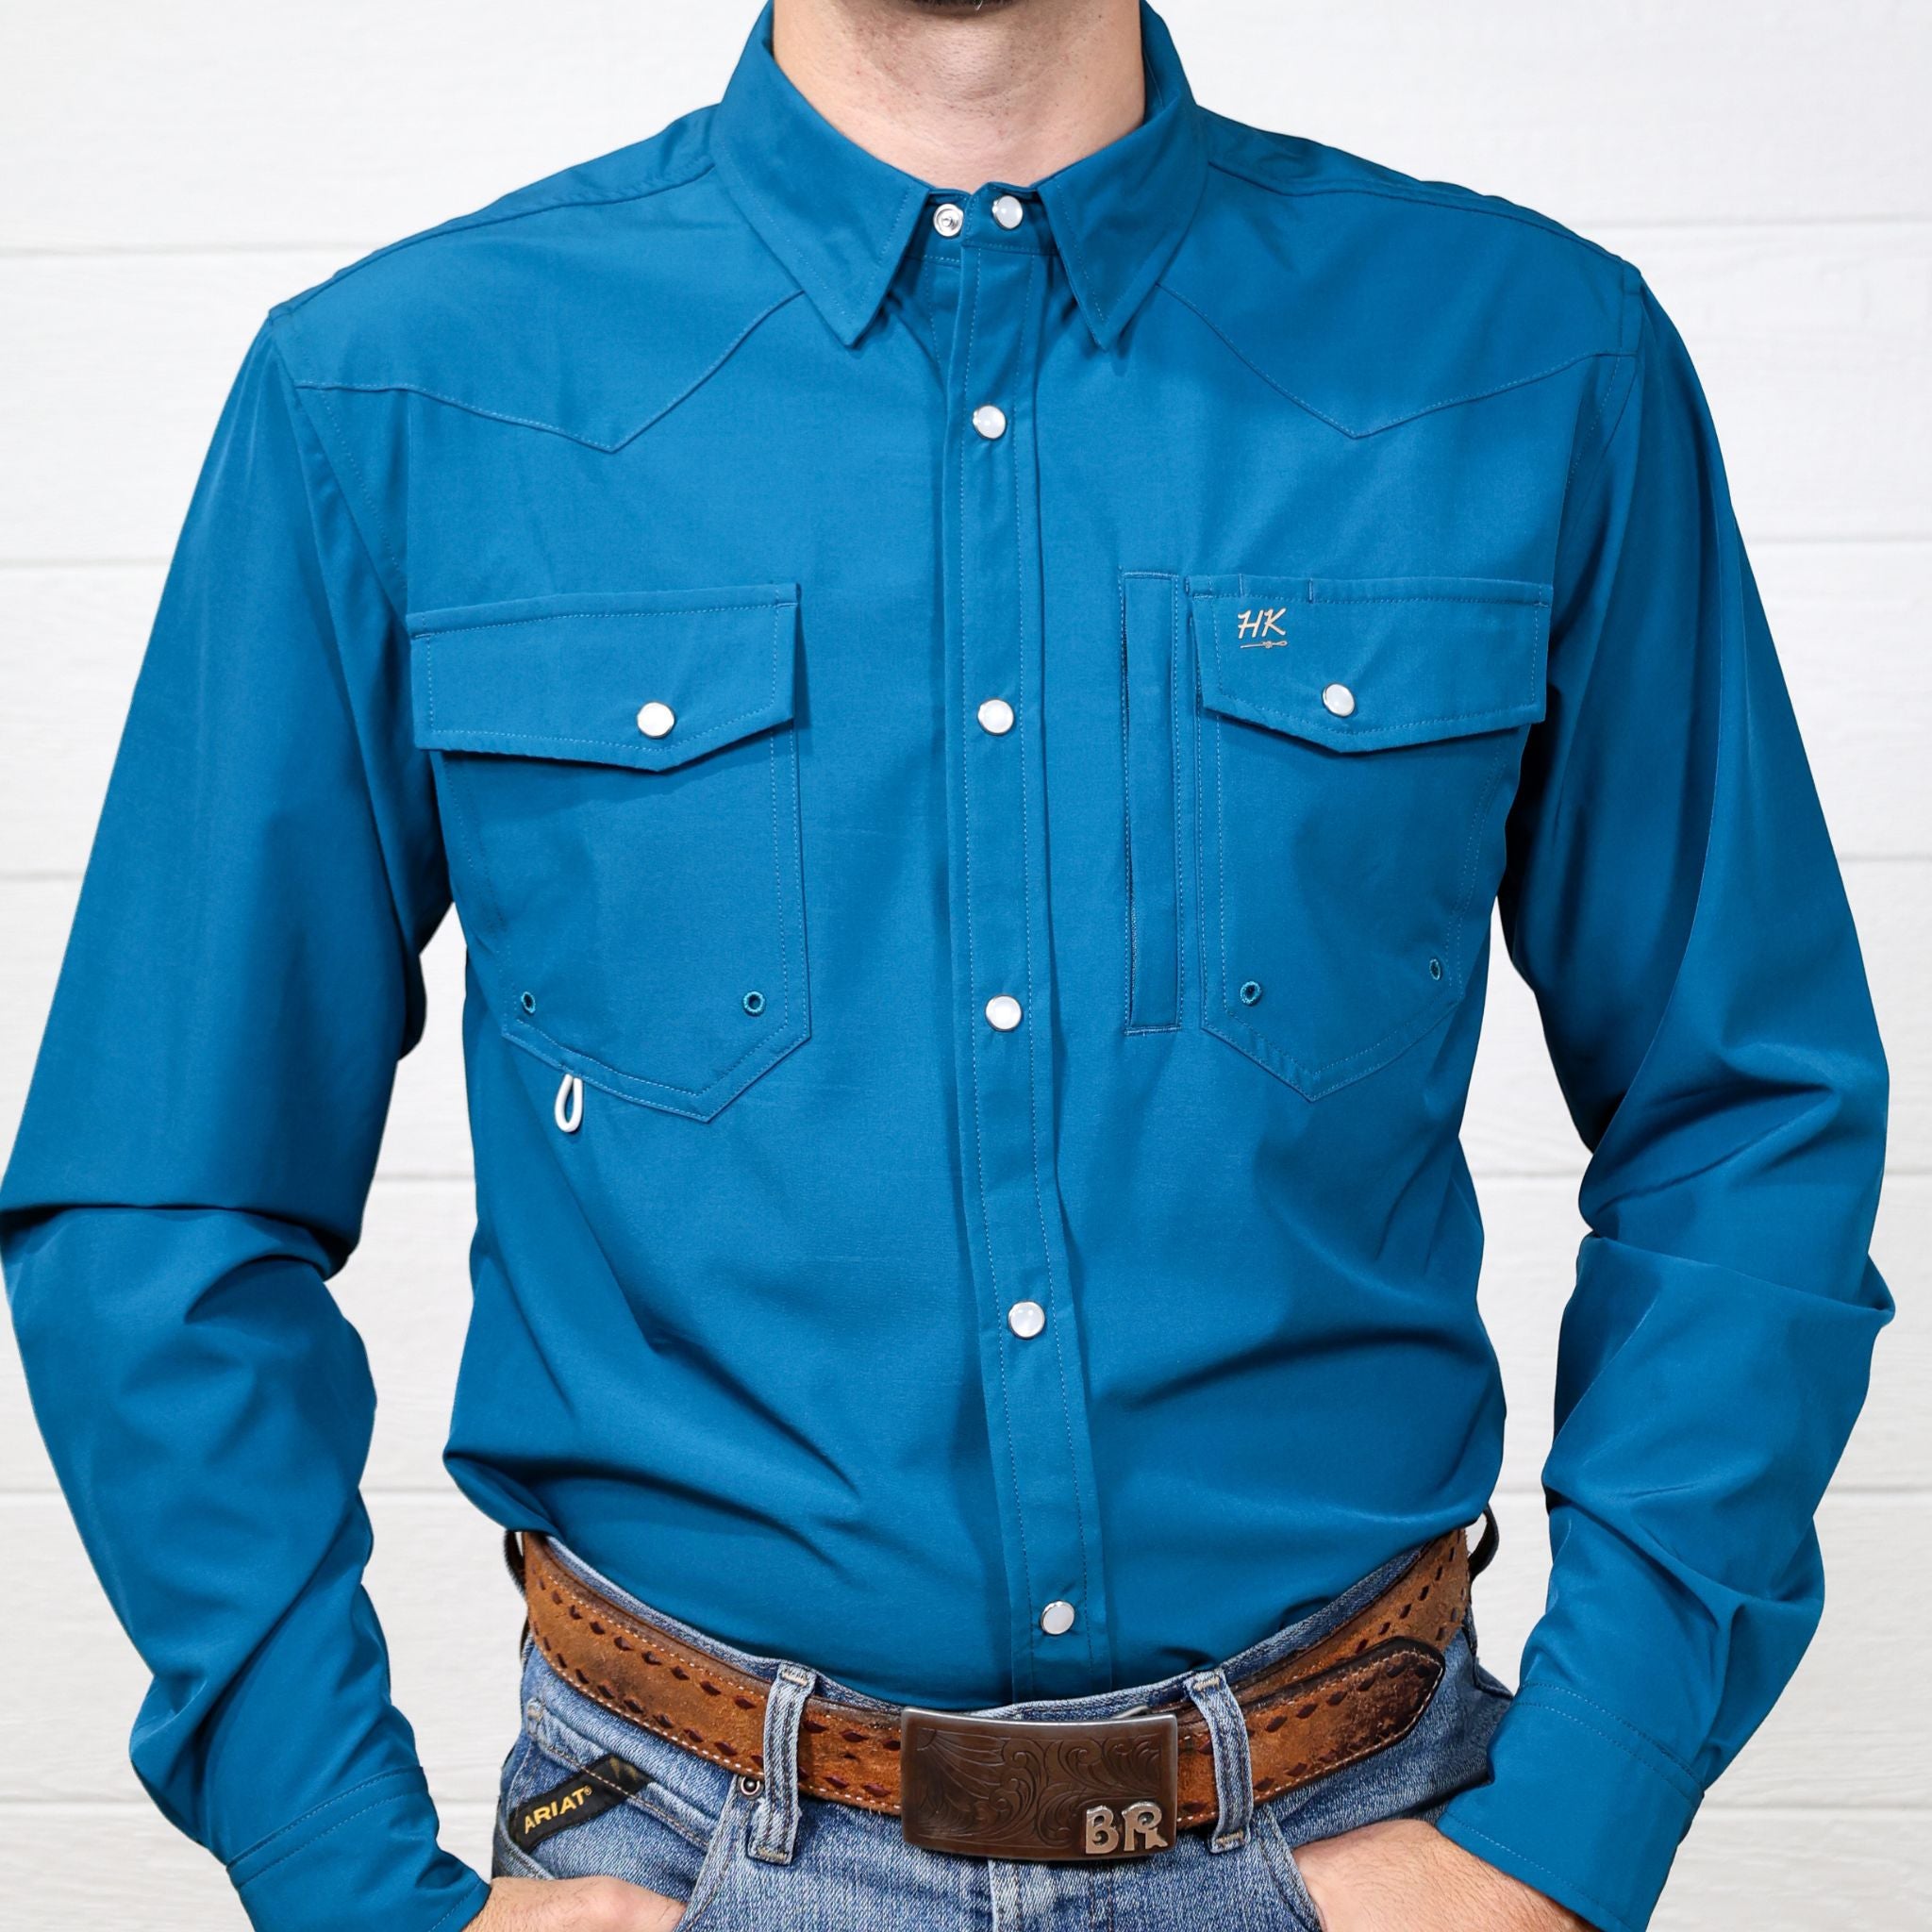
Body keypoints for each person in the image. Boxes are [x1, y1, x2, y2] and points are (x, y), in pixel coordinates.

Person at [0, 2, 1891, 1928]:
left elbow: (1745, 1109)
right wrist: (346, 1879)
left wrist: (1569, 1826)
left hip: (1365, 1831)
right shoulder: (400, 392)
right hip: (672, 1852)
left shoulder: (1530, 359)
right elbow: (157, 1195)